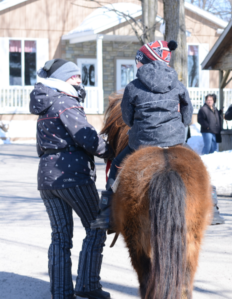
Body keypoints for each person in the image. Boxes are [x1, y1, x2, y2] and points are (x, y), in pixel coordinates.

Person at [30, 59, 113, 299]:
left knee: (60, 235)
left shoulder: (46, 103)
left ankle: (61, 292)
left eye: (79, 75)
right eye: (73, 76)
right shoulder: (66, 102)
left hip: (47, 178)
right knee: (97, 226)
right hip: (71, 175)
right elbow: (86, 137)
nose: (79, 79)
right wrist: (112, 152)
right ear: (62, 79)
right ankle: (87, 286)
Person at [91, 40, 193, 229]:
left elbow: (128, 118)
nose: (136, 64)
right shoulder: (178, 85)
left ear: (145, 60)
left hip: (142, 143)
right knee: (197, 165)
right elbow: (187, 113)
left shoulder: (133, 87)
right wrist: (181, 124)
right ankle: (212, 201)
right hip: (174, 141)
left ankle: (107, 212)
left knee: (117, 167)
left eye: (138, 60)